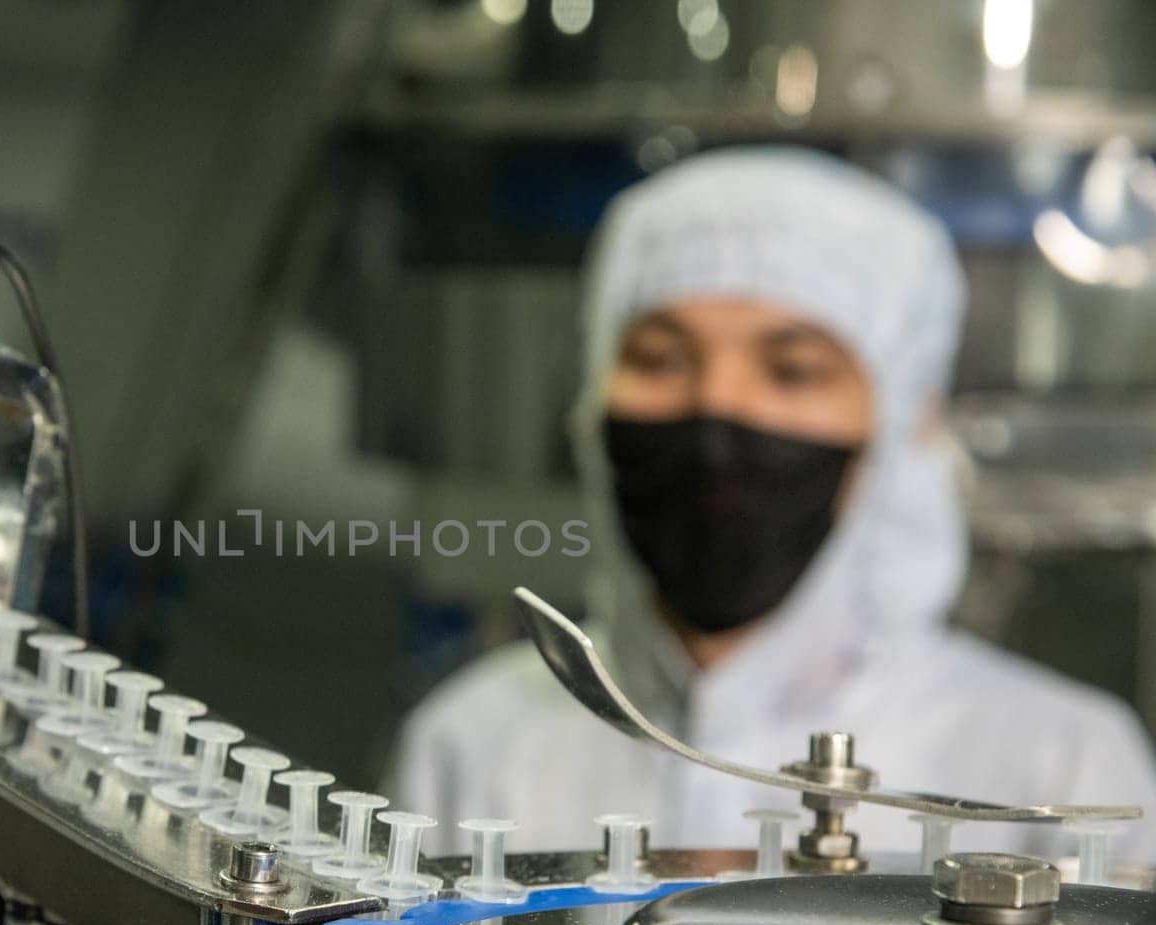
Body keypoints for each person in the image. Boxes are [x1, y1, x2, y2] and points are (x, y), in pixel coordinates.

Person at [394, 146, 1156, 863]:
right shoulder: (474, 744)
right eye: (661, 359)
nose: (717, 408)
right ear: (593, 401)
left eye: (793, 369)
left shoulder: (1063, 768)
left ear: (901, 427)